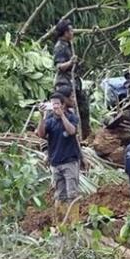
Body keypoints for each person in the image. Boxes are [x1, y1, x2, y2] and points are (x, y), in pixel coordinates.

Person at [35, 92, 82, 222]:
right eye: (53, 104)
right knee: (59, 195)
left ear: (63, 105)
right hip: (55, 162)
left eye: (57, 104)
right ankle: (60, 222)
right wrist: (41, 116)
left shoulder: (71, 117)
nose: (55, 106)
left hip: (70, 161)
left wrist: (62, 116)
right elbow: (40, 134)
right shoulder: (50, 121)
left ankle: (74, 223)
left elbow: (72, 131)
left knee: (72, 193)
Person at [51, 19, 90, 140]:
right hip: (65, 84)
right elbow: (59, 66)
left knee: (83, 107)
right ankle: (74, 135)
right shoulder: (60, 47)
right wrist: (70, 62)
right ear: (65, 32)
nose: (73, 32)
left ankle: (84, 136)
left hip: (73, 82)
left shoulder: (68, 45)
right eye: (71, 30)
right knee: (70, 108)